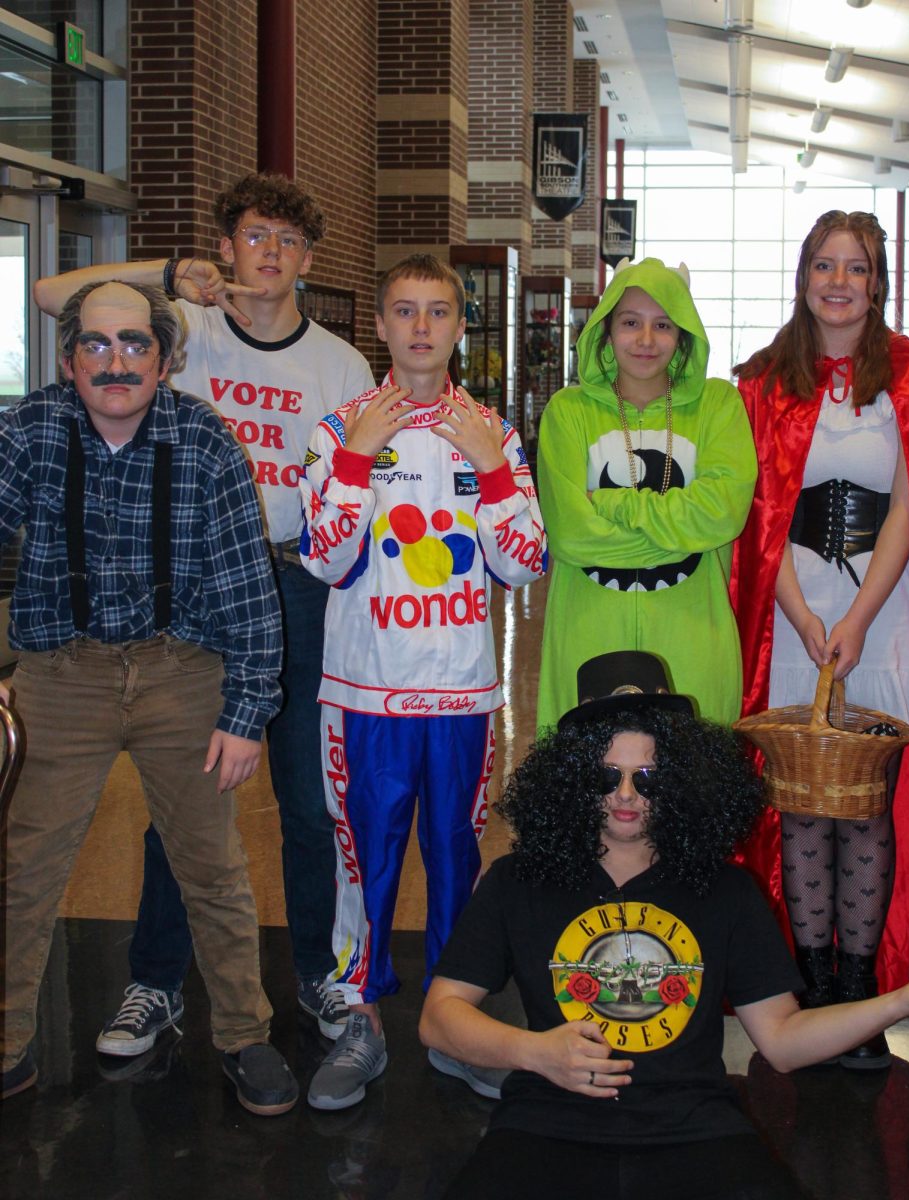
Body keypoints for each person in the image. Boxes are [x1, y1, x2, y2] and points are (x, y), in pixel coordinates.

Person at [33, 172, 375, 1054]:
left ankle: (315, 974)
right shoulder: (179, 330)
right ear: (225, 247)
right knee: (182, 802)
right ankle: (155, 981)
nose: (270, 255)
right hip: (187, 585)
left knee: (305, 800)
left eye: (288, 243)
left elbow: (351, 491)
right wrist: (168, 272)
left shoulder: (338, 363)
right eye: (254, 236)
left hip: (293, 581)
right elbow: (49, 294)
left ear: (308, 260)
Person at [419, 651, 909, 1199]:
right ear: (574, 778)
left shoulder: (724, 891)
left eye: (647, 777)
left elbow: (784, 1042)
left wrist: (905, 1000)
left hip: (697, 1131)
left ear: (678, 781)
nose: (626, 795)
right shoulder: (518, 881)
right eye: (608, 775)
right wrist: (532, 1052)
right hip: (546, 1125)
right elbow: (438, 1019)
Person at [0, 282, 298, 1115]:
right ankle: (7, 1043)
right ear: (68, 360)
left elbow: (248, 589)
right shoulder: (28, 431)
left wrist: (245, 715)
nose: (115, 361)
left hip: (181, 674)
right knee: (26, 870)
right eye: (95, 345)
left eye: (135, 343)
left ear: (164, 359)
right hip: (62, 677)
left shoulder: (204, 439)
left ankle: (244, 1035)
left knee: (212, 867)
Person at [298, 254, 546, 1110]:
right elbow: (324, 557)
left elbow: (522, 565)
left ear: (459, 326)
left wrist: (496, 471)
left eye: (437, 312)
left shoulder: (492, 432)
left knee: (455, 862)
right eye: (403, 311)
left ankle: (454, 1025)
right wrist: (360, 459)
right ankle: (358, 1020)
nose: (420, 328)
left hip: (460, 699)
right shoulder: (341, 428)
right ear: (379, 323)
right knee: (361, 864)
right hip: (364, 696)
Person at [730, 210, 909, 1065]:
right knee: (799, 796)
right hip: (792, 611)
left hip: (880, 616)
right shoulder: (761, 379)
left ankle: (858, 991)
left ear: (877, 280)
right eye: (822, 265)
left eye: (854, 268)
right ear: (802, 275)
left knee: (861, 803)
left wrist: (854, 623)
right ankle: (809, 980)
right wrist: (805, 617)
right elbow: (757, 514)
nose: (836, 282)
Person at [536, 257, 757, 732]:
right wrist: (682, 529)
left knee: (692, 781)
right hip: (589, 625)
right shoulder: (567, 411)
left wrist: (610, 503)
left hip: (694, 632)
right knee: (586, 779)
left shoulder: (718, 405)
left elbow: (722, 516)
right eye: (630, 322)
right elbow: (571, 535)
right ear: (606, 330)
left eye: (663, 325)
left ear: (682, 336)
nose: (646, 340)